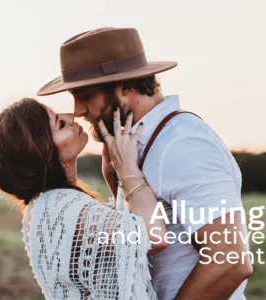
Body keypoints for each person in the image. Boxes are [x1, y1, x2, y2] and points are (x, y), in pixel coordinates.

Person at [37, 27, 253, 299]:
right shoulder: (133, 145)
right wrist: (116, 181)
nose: (78, 111)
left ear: (125, 86)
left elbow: (230, 262)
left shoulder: (181, 143)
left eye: (85, 96)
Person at [0, 98, 167, 300]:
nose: (71, 116)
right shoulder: (61, 205)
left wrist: (113, 178)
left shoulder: (44, 206)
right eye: (60, 124)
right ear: (42, 149)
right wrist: (129, 171)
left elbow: (110, 252)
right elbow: (152, 237)